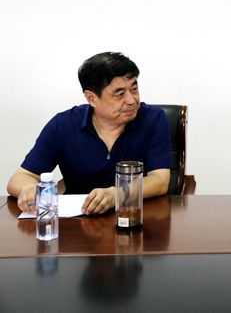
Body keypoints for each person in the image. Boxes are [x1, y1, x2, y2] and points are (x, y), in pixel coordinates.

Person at [7, 52, 171, 214]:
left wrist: (117, 194)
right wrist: (29, 189)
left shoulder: (153, 119)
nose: (131, 100)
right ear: (91, 98)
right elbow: (21, 177)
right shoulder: (63, 125)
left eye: (134, 89)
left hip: (135, 217)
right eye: (120, 94)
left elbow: (160, 180)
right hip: (78, 221)